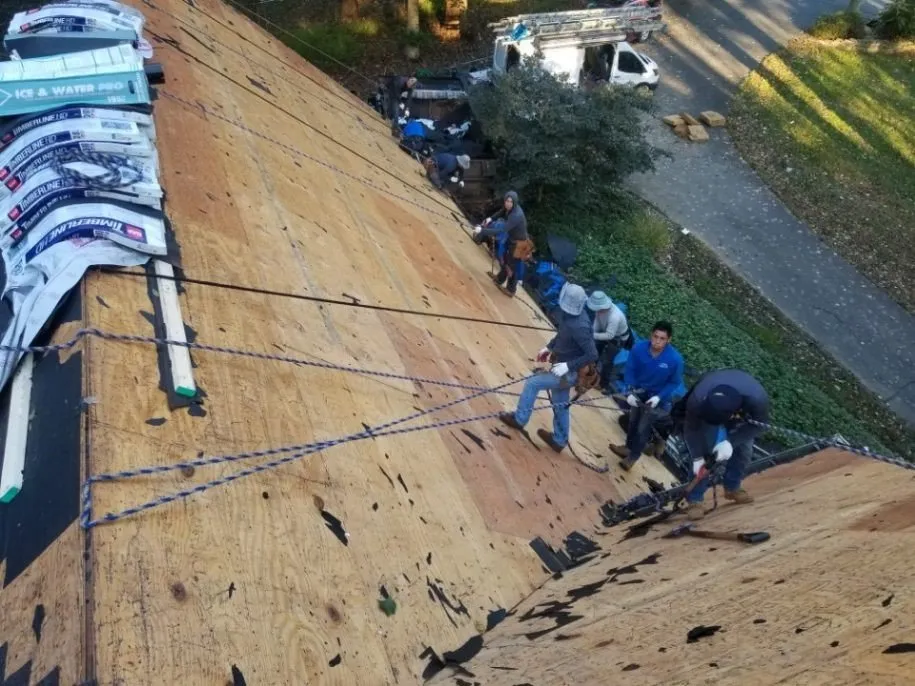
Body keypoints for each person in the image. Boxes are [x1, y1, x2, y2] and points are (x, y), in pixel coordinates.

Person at [498, 283, 597, 452]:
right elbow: (563, 335)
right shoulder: (570, 316)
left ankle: (520, 419)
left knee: (533, 383)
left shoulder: (580, 327)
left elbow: (592, 354)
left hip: (568, 374)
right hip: (563, 368)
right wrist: (549, 347)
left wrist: (567, 366)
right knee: (560, 402)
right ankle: (559, 440)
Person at [681, 368, 770, 520]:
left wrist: (729, 442)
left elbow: (759, 426)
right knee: (707, 454)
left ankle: (732, 487)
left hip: (742, 417)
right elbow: (691, 429)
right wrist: (697, 457)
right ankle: (695, 500)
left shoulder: (756, 399)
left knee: (744, 452)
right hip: (709, 415)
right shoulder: (697, 400)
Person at [609, 321, 684, 470]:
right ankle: (627, 447)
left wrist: (659, 397)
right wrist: (630, 390)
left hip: (657, 399)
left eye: (662, 338)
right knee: (633, 421)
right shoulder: (639, 349)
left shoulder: (675, 360)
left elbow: (674, 382)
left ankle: (632, 458)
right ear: (651, 335)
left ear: (668, 340)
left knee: (643, 427)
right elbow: (630, 369)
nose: (657, 341)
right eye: (655, 336)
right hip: (639, 391)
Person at [472, 191, 533, 296]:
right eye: (507, 201)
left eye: (510, 202)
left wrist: (482, 230)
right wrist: (491, 218)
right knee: (504, 258)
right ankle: (500, 279)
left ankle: (511, 290)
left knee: (511, 265)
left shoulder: (516, 215)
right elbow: (501, 212)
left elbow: (501, 230)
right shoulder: (510, 208)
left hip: (519, 244)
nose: (508, 203)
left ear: (514, 202)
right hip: (512, 239)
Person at [585, 290, 631, 391]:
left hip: (618, 338)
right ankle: (590, 373)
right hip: (604, 331)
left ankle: (603, 384)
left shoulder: (614, 316)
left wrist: (593, 335)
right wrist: (592, 332)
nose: (596, 311)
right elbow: (597, 322)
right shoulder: (599, 311)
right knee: (594, 352)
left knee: (607, 361)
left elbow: (609, 335)